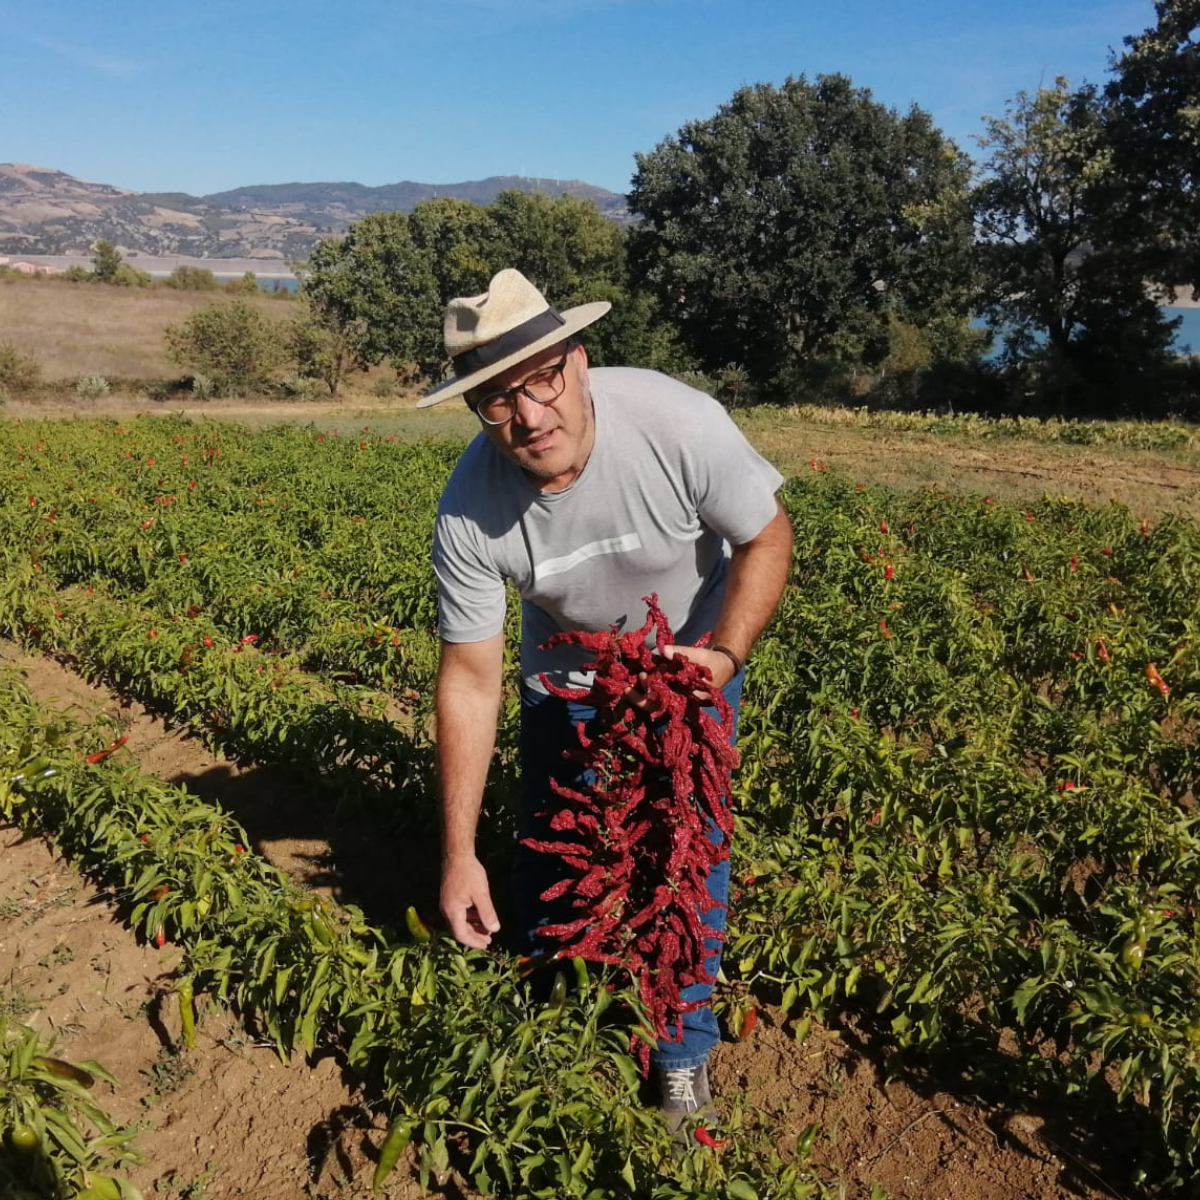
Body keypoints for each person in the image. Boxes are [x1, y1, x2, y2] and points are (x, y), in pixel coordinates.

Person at [419, 268, 792, 1131]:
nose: (528, 414)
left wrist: (724, 654)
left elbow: (766, 535)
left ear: (578, 364)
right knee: (551, 856)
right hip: (569, 681)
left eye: (541, 379)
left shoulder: (675, 421)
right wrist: (456, 852)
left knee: (686, 858)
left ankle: (682, 1053)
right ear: (476, 409)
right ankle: (551, 1007)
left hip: (690, 668)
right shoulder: (471, 511)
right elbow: (469, 680)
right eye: (495, 398)